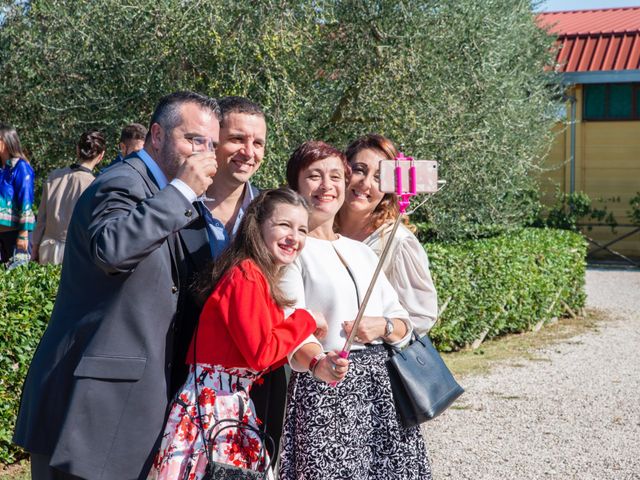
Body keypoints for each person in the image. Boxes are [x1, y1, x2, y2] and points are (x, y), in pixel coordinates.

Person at [13, 91, 220, 480]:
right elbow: (112, 250)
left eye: (211, 144)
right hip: (91, 412)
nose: (204, 153)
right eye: (193, 139)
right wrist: (182, 193)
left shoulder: (174, 197)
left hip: (130, 412)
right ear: (156, 136)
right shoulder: (122, 181)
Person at [148, 188, 348, 480]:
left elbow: (262, 354)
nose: (295, 236)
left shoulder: (256, 275)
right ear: (258, 225)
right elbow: (260, 353)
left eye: (302, 229)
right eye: (284, 225)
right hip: (215, 405)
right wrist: (305, 319)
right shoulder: (246, 274)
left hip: (225, 402)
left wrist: (315, 360)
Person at [279, 141, 432, 480]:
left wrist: (384, 326)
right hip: (326, 391)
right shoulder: (292, 250)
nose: (326, 186)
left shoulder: (362, 252)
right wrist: (320, 363)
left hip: (381, 390)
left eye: (335, 176)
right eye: (314, 176)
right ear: (295, 185)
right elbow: (292, 332)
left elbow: (406, 323)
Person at [336, 133, 438, 336]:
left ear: (389, 189)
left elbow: (422, 316)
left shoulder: (397, 242)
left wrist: (384, 326)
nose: (365, 184)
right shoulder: (319, 230)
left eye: (378, 177)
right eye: (359, 170)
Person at [32, 130, 107, 265]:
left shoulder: (54, 176)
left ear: (77, 150)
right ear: (101, 156)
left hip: (46, 248)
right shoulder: (95, 185)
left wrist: (35, 248)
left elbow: (41, 218)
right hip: (75, 253)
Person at [0, 123, 35, 265]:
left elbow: (26, 200)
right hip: (1, 235)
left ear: (6, 142)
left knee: (17, 279)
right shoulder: (2, 169)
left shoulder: (21, 167)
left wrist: (23, 233)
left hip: (15, 236)